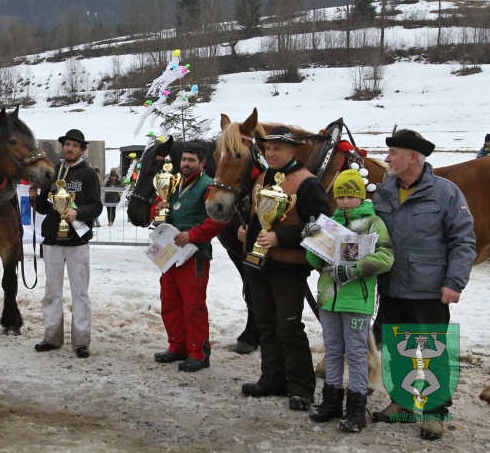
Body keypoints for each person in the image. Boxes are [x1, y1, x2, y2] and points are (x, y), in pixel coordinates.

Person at [370, 129, 475, 440]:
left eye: (394, 154)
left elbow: (464, 241)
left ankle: (435, 411)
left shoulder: (445, 193)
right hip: (390, 286)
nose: (386, 159)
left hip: (429, 289)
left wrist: (454, 282)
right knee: (395, 348)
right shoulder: (384, 191)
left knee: (432, 350)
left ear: (412, 158)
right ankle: (402, 403)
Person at [238, 126, 332, 411]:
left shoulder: (307, 183)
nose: (271, 153)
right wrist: (248, 230)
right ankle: (272, 378)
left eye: (277, 149)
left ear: (293, 151)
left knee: (288, 327)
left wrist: (282, 238)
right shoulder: (265, 177)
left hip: (289, 267)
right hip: (259, 264)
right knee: (266, 324)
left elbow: (321, 224)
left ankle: (301, 387)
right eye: (268, 149)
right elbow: (262, 216)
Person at [304, 170, 394, 433]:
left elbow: (386, 256)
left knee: (355, 353)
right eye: (340, 196)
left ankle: (356, 408)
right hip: (329, 298)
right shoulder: (329, 223)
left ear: (361, 196)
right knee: (332, 350)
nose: (345, 201)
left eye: (351, 196)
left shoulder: (372, 222)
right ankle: (332, 401)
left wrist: (355, 269)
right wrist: (311, 239)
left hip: (357, 301)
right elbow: (315, 262)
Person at [149, 142, 227, 372]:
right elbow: (156, 207)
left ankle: (198, 352)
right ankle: (177, 346)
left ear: (202, 163)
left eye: (191, 160)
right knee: (169, 300)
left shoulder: (209, 186)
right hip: (169, 252)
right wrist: (158, 208)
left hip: (193, 254)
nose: (186, 164)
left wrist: (192, 235)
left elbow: (218, 219)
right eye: (183, 159)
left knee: (193, 305)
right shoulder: (172, 182)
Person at [29, 129, 103, 358]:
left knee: (80, 292)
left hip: (77, 241)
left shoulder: (88, 174)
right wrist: (34, 196)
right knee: (52, 291)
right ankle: (51, 337)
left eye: (75, 145)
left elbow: (97, 206)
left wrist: (77, 212)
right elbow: (43, 207)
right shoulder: (52, 172)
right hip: (52, 239)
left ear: (82, 150)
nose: (70, 148)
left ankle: (81, 341)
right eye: (67, 144)